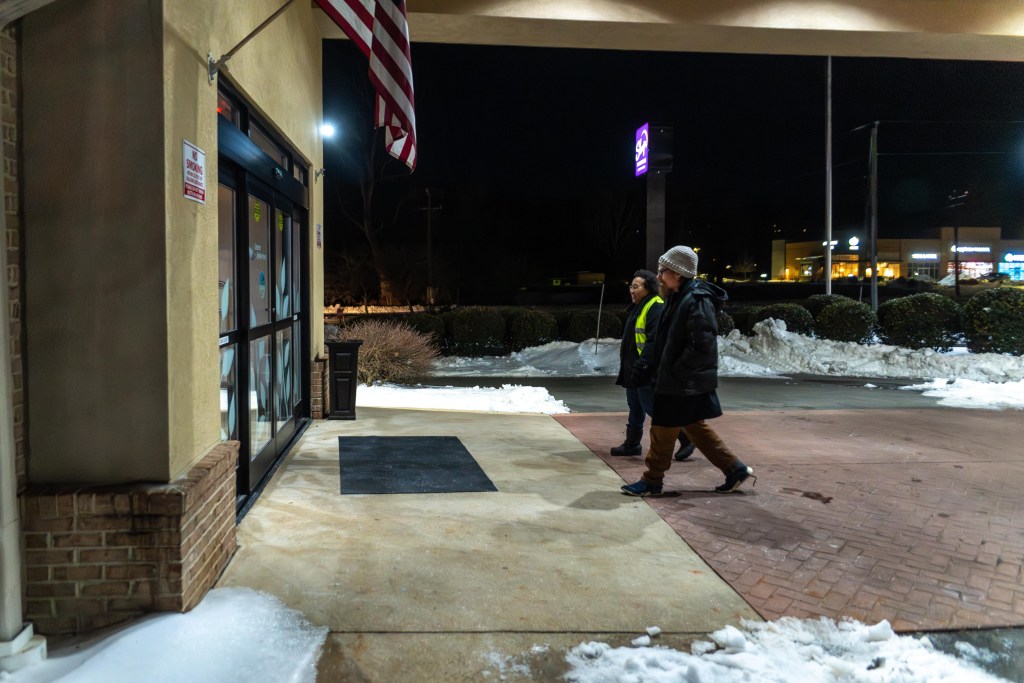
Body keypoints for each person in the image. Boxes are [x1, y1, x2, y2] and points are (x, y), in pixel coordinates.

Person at [621, 245, 756, 496]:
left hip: (682, 381)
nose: (659, 276)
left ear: (678, 274)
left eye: (663, 271)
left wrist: (676, 371)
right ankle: (733, 468)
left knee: (662, 428)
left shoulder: (695, 300)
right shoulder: (677, 298)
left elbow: (701, 344)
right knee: (694, 428)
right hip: (679, 379)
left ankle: (652, 480)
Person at [610, 270, 696, 461]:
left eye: (636, 286)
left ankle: (687, 437)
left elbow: (653, 341)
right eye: (630, 287)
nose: (632, 290)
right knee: (635, 407)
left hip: (645, 369)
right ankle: (632, 444)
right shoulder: (639, 306)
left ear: (648, 288)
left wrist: (642, 365)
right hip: (633, 368)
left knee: (652, 408)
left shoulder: (655, 306)